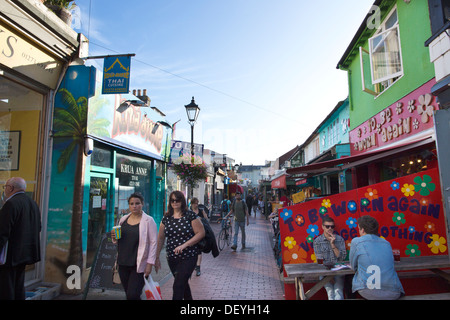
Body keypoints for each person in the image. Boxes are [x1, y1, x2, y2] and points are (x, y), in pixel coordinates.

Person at [155, 191, 205, 300]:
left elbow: (201, 233)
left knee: (178, 285)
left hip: (189, 256)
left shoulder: (190, 215)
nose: (175, 202)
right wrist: (156, 256)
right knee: (183, 284)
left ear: (182, 201)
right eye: (172, 200)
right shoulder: (166, 218)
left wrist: (185, 245)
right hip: (172, 258)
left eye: (177, 200)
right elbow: (160, 238)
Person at [0, 177, 41, 300]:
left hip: (10, 256)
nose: (5, 189)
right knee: (18, 286)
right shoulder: (33, 203)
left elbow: (2, 231)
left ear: (11, 188)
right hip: (25, 254)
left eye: (5, 187)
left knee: (6, 288)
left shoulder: (11, 204)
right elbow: (38, 227)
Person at [111, 193, 157, 300]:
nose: (134, 206)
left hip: (139, 264)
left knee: (133, 294)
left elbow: (154, 243)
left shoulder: (148, 221)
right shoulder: (123, 220)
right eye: (131, 204)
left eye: (137, 203)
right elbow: (118, 241)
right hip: (123, 263)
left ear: (142, 204)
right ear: (129, 205)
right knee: (129, 294)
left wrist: (150, 264)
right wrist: (114, 237)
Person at [350, 215, 404, 300]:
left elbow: (354, 266)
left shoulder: (356, 241)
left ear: (362, 230)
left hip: (367, 291)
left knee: (349, 280)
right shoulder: (387, 243)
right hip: (393, 292)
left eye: (359, 229)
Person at [313, 216, 347, 300]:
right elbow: (320, 261)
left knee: (338, 291)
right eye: (327, 226)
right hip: (325, 273)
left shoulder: (340, 239)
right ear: (323, 227)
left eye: (332, 226)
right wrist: (329, 275)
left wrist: (333, 244)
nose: (330, 228)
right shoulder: (317, 241)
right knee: (330, 292)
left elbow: (342, 258)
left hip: (339, 271)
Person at [190, 197, 207, 276]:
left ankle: (198, 267)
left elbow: (206, 219)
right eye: (194, 203)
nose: (196, 205)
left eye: (197, 203)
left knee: (199, 251)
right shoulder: (189, 212)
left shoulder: (201, 211)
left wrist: (201, 218)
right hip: (191, 234)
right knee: (193, 250)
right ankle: (193, 265)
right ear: (192, 204)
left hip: (200, 234)